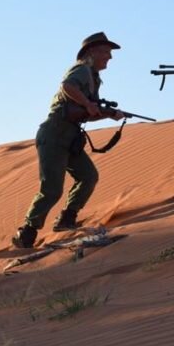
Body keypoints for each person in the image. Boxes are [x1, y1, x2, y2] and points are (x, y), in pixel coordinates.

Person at [11, 32, 125, 249]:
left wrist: (109, 114)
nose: (109, 57)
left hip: (70, 136)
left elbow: (84, 113)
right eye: (105, 52)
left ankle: (66, 219)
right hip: (54, 134)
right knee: (52, 188)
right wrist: (90, 105)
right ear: (91, 52)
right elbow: (67, 87)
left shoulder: (94, 78)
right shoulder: (81, 69)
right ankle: (27, 231)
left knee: (88, 176)